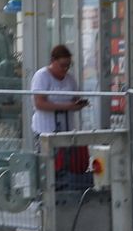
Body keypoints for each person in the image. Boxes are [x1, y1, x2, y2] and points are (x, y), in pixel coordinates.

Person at [28, 39, 91, 184]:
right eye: (62, 65)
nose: (65, 69)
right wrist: (67, 106)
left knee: (67, 164)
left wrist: (78, 104)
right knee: (48, 165)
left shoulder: (70, 79)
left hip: (66, 130)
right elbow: (39, 103)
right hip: (45, 129)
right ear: (53, 61)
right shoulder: (42, 76)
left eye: (68, 66)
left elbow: (75, 99)